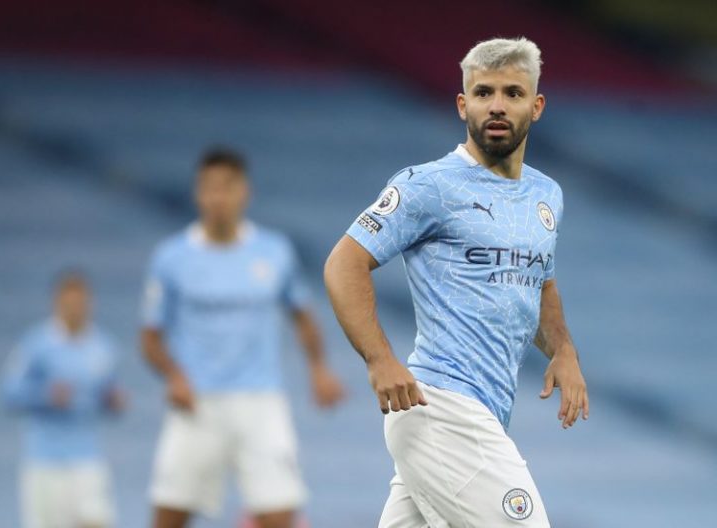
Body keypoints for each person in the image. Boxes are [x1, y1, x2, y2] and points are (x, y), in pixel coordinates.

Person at [324, 37, 589, 527]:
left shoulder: (546, 195)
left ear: (537, 105)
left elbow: (540, 282)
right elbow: (344, 262)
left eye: (512, 93)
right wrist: (379, 358)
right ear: (462, 104)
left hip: (478, 414)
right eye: (484, 92)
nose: (497, 105)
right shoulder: (428, 185)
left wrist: (563, 351)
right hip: (441, 407)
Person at [141, 148, 345, 528]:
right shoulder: (172, 257)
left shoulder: (273, 252)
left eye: (227, 187)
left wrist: (319, 370)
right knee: (168, 515)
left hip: (259, 401)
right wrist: (175, 376)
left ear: (244, 192)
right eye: (210, 188)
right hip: (196, 403)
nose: (218, 197)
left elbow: (302, 315)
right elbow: (151, 337)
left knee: (280, 513)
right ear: (198, 194)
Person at [0, 271, 125, 528]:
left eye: (81, 303)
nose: (75, 309)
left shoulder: (103, 346)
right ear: (56, 303)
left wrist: (113, 401)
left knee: (97, 521)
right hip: (45, 458)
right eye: (69, 303)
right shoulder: (36, 344)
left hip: (86, 456)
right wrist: (45, 394)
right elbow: (8, 392)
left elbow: (106, 395)